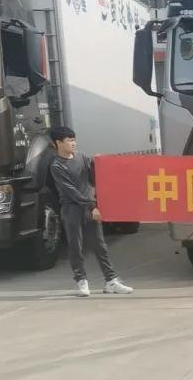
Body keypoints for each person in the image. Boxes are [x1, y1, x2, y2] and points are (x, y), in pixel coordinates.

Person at [48, 126, 134, 297]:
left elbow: (94, 180)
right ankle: (81, 282)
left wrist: (96, 164)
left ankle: (111, 281)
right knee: (76, 246)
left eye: (74, 140)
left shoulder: (81, 157)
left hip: (89, 208)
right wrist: (92, 206)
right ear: (59, 143)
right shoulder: (56, 165)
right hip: (72, 209)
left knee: (100, 246)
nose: (74, 143)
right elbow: (70, 191)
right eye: (69, 140)